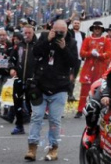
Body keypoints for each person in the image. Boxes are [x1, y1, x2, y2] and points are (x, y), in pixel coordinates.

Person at [25, 20, 78, 161]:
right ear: (51, 29)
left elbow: (73, 63)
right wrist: (47, 41)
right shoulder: (43, 37)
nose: (59, 34)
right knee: (36, 116)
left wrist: (64, 48)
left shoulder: (71, 42)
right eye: (56, 31)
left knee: (54, 120)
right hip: (41, 84)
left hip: (60, 87)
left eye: (62, 31)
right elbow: (35, 53)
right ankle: (32, 148)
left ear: (66, 31)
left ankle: (53, 149)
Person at [75, 21, 111, 119]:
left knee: (99, 89)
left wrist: (100, 55)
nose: (97, 30)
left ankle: (99, 110)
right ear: (93, 29)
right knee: (84, 90)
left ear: (102, 30)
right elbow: (82, 53)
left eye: (99, 28)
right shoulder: (87, 39)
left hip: (100, 68)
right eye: (95, 28)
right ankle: (80, 110)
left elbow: (108, 54)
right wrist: (90, 53)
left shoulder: (105, 40)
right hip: (88, 69)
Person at [9, 24, 37, 135]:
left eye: (29, 33)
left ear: (33, 32)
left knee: (33, 105)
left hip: (33, 81)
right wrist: (11, 69)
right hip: (19, 79)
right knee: (17, 103)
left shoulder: (38, 45)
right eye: (25, 33)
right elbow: (12, 60)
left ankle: (34, 127)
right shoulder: (18, 46)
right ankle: (19, 125)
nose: (27, 35)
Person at [68, 19, 85, 102]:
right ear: (72, 24)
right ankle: (68, 94)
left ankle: (70, 94)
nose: (76, 24)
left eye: (78, 23)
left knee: (74, 77)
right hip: (70, 58)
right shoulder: (70, 33)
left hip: (78, 59)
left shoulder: (83, 34)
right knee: (69, 77)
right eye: (75, 23)